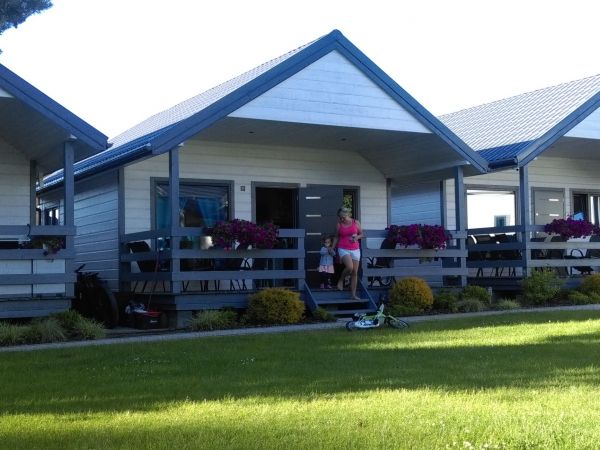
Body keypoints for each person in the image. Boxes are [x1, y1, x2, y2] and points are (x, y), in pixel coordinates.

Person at [333, 206, 364, 300]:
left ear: (348, 215)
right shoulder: (339, 224)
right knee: (350, 267)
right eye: (340, 217)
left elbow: (362, 234)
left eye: (343, 217)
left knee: (354, 272)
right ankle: (341, 280)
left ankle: (353, 295)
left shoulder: (356, 222)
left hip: (355, 249)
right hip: (343, 248)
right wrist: (332, 248)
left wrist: (357, 237)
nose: (342, 219)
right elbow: (336, 237)